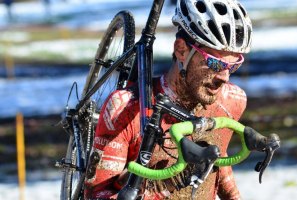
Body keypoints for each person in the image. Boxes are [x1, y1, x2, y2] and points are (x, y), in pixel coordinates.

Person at [84, 0, 252, 199]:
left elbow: (218, 160)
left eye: (233, 66)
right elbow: (97, 195)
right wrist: (168, 184)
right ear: (181, 50)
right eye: (215, 63)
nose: (224, 77)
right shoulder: (124, 108)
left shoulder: (233, 100)